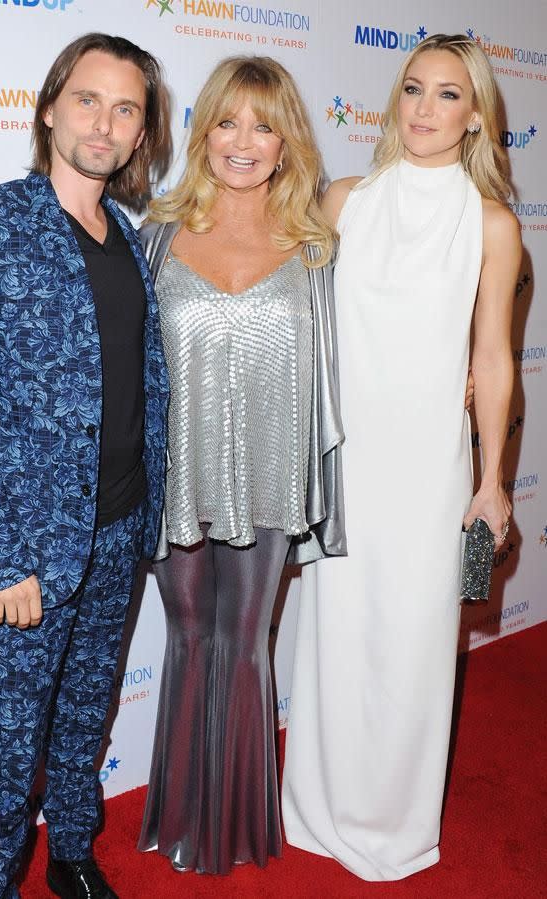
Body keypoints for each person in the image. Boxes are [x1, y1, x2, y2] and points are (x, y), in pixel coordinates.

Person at [0, 33, 169, 899]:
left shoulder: (131, 237)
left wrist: (148, 518)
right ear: (49, 108)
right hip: (25, 551)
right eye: (89, 100)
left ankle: (71, 853)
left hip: (120, 528)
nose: (105, 122)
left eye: (126, 108)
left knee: (83, 717)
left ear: (140, 134)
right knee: (10, 741)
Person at [282, 33, 521, 881]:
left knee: (415, 643)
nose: (424, 109)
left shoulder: (491, 225)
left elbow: (492, 358)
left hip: (428, 466)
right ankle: (314, 808)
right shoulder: (346, 200)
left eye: (448, 94)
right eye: (414, 89)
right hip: (347, 461)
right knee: (339, 636)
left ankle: (395, 823)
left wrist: (493, 480)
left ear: (476, 116)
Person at [136, 56, 346, 874]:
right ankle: (182, 811)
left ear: (287, 140)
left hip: (268, 479)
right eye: (227, 120)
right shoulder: (153, 234)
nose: (244, 141)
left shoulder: (319, 249)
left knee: (246, 638)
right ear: (203, 131)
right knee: (189, 635)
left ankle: (239, 824)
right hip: (177, 483)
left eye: (264, 124)